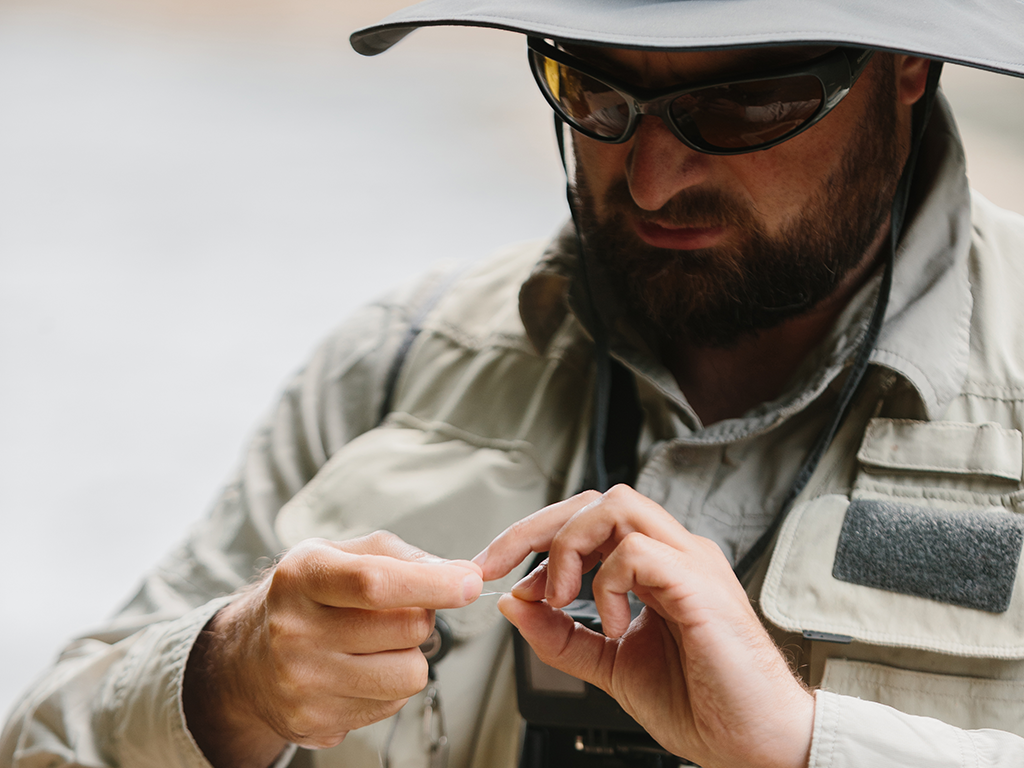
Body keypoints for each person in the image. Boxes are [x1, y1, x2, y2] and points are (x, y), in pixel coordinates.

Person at [5, 0, 1024, 766]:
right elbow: (44, 737)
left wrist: (803, 746)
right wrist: (230, 681)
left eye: (742, 106)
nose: (651, 177)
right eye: (597, 97)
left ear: (905, 69)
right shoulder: (397, 359)